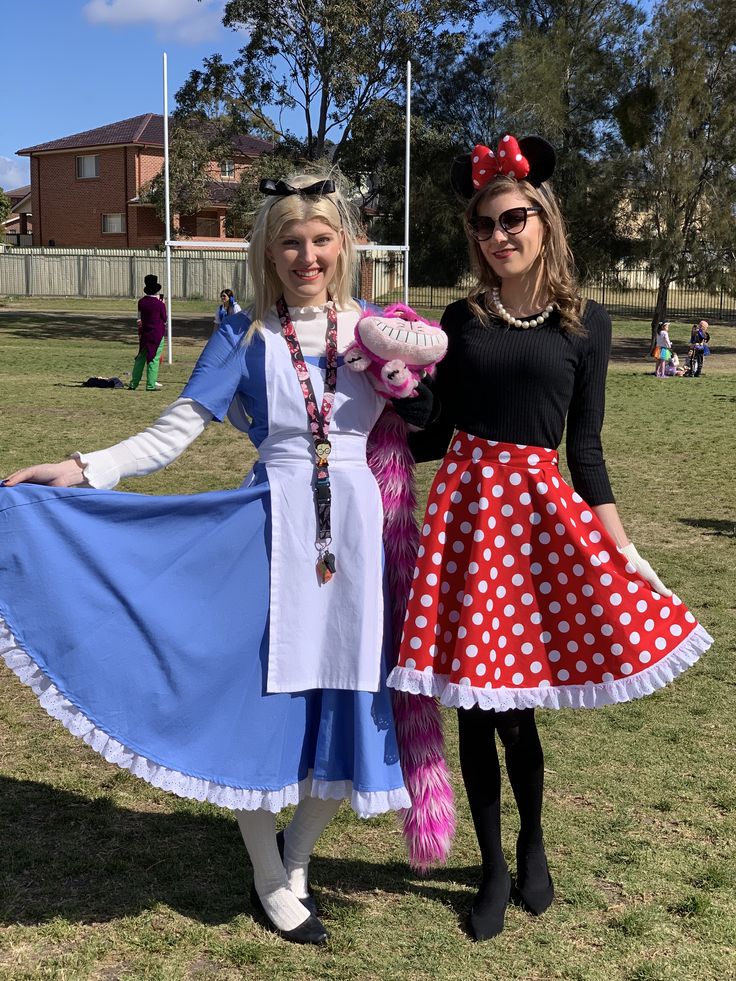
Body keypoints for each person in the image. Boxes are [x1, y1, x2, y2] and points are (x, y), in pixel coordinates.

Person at [0, 174, 428, 945]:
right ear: (269, 249)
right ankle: (269, 873)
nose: (307, 255)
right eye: (291, 242)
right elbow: (176, 430)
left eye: (321, 240)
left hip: (360, 537)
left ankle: (297, 851)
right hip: (268, 535)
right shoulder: (246, 336)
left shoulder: (377, 333)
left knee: (355, 702)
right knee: (253, 714)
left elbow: (427, 416)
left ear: (344, 245)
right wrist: (84, 465)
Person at [386, 135, 713, 941]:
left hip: (533, 529)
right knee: (470, 705)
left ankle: (533, 841)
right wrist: (383, 408)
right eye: (486, 224)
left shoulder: (587, 325)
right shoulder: (459, 321)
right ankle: (493, 864)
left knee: (517, 712)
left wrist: (622, 547)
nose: (500, 234)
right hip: (467, 522)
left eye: (514, 219)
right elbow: (437, 429)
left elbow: (586, 448)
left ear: (544, 220)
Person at [130, 274, 167, 391]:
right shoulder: (160, 304)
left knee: (140, 358)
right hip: (157, 334)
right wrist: (162, 303)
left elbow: (140, 317)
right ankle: (150, 385)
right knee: (153, 359)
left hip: (145, 334)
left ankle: (133, 383)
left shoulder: (141, 302)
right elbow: (164, 318)